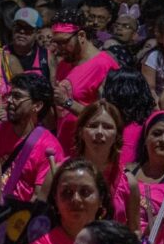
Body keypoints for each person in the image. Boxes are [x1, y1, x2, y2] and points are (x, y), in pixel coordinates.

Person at [51, 8, 120, 152]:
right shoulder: (64, 63)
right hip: (64, 148)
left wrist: (67, 102)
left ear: (81, 35)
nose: (58, 48)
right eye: (56, 43)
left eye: (63, 42)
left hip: (90, 150)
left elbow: (110, 117)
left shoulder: (104, 65)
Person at [0, 72, 64, 201]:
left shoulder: (49, 148)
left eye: (17, 96)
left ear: (37, 106)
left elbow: (39, 198)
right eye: (10, 95)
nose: (10, 101)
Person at [73, 100, 141, 228]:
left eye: (107, 127)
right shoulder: (61, 173)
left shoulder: (128, 183)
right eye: (92, 125)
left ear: (117, 136)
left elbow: (135, 231)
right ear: (81, 132)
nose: (99, 132)